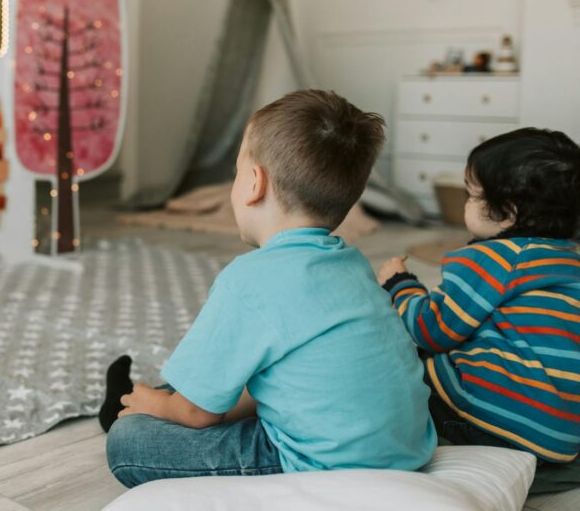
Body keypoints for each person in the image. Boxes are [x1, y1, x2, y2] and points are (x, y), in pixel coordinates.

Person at [102, 90, 436, 488]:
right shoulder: (352, 264)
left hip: (322, 463)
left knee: (130, 440)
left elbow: (196, 414)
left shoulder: (249, 279)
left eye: (237, 169)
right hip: (406, 448)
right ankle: (139, 397)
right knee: (224, 377)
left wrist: (156, 406)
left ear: (254, 183)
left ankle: (125, 407)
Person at [377, 128, 580, 494]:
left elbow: (431, 328)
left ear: (508, 214)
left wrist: (400, 285)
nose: (466, 202)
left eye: (472, 194)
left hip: (494, 421)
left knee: (400, 359)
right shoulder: (568, 260)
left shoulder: (494, 258)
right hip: (561, 437)